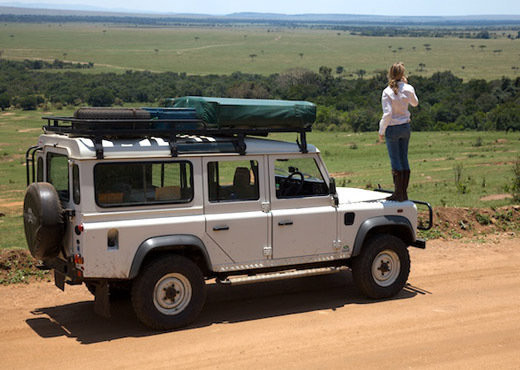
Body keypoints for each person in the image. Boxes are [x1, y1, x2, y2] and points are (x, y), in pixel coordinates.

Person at [378, 62, 418, 201]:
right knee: (404, 158)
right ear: (403, 74)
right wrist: (407, 86)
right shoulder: (408, 88)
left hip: (392, 128)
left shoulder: (387, 91)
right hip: (405, 127)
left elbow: (387, 114)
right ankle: (404, 193)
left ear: (390, 74)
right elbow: (415, 103)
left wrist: (381, 130)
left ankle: (397, 193)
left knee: (395, 160)